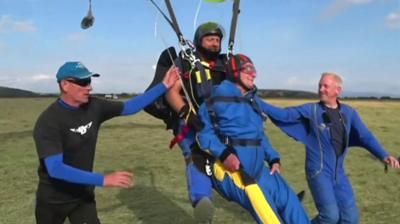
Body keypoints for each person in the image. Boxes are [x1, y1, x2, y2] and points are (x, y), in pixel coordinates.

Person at [33, 61, 178, 224]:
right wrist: (103, 179)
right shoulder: (49, 121)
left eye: (89, 81)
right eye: (82, 82)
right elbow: (55, 169)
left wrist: (164, 85)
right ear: (65, 85)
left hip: (83, 197)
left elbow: (129, 107)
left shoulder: (94, 106)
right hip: (53, 201)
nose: (89, 87)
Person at [257, 72, 400, 224]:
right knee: (330, 217)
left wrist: (383, 155)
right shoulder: (311, 110)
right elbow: (283, 114)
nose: (321, 89)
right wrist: (255, 100)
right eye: (320, 86)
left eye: (325, 86)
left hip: (339, 174)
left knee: (350, 218)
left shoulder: (349, 113)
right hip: (318, 171)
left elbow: (365, 136)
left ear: (337, 91)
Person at [197, 54, 310, 224]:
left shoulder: (252, 101)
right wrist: (224, 154)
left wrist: (273, 157)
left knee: (291, 203)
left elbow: (259, 136)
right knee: (272, 219)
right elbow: (204, 135)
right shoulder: (215, 98)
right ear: (235, 72)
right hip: (235, 171)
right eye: (248, 70)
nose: (254, 74)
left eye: (254, 70)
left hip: (260, 170)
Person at [164, 21, 227, 223]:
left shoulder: (226, 63)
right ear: (199, 41)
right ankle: (202, 201)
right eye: (210, 39)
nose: (214, 43)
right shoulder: (184, 62)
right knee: (196, 155)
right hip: (190, 122)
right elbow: (171, 92)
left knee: (244, 153)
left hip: (221, 123)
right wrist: (187, 114)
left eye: (217, 40)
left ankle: (272, 198)